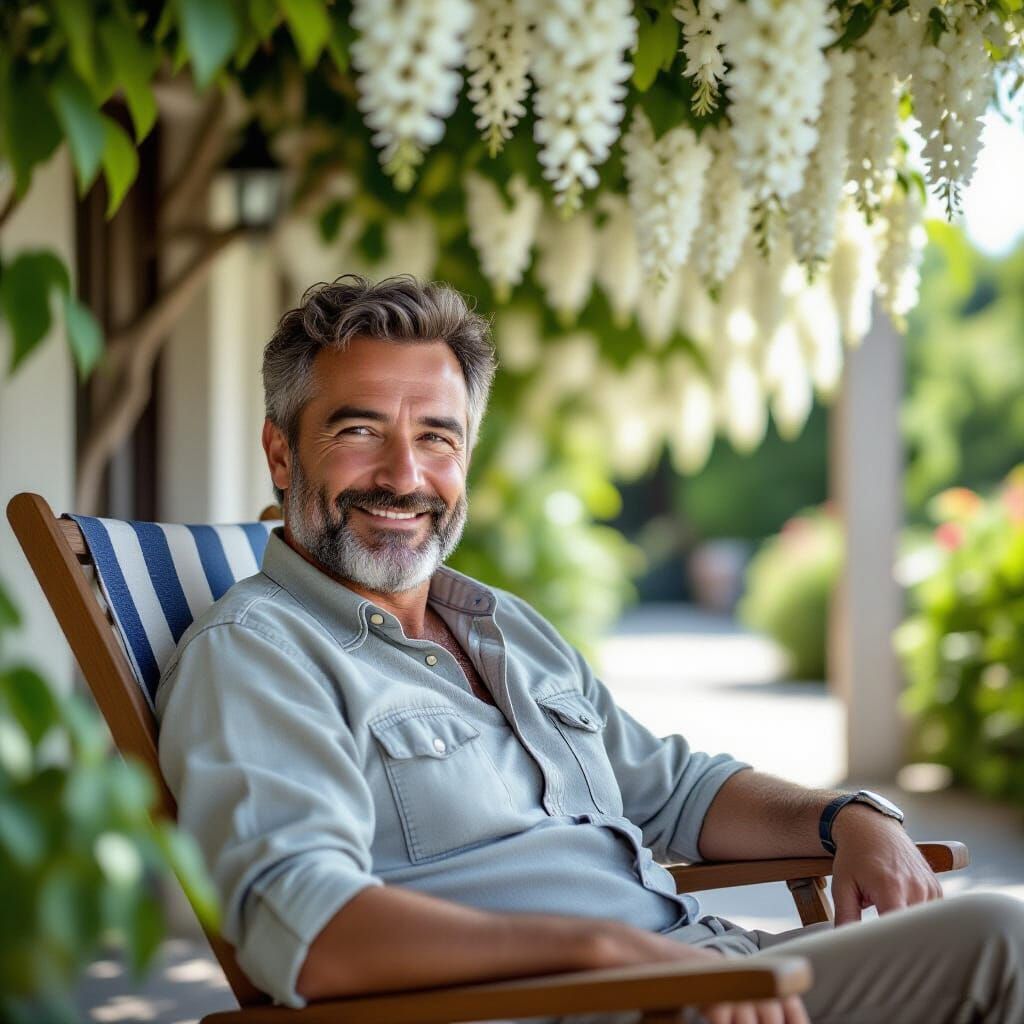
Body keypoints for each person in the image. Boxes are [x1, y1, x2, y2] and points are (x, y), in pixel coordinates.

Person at [155, 274, 1024, 1024]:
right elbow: (302, 933)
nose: (405, 476)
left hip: (698, 972)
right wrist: (604, 950)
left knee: (997, 936)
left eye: (437, 438)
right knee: (1002, 945)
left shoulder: (501, 627)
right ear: (281, 453)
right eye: (358, 431)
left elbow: (677, 791)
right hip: (568, 1002)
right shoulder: (257, 656)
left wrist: (847, 817)